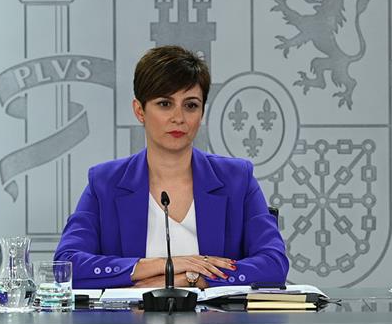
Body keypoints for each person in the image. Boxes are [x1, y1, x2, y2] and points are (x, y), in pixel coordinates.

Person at [55, 45, 290, 289]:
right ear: (140, 111)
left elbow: (273, 264)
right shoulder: (105, 182)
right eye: (165, 104)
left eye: (190, 105)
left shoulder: (237, 179)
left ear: (202, 113)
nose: (178, 117)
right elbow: (67, 264)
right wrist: (162, 266)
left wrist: (195, 279)